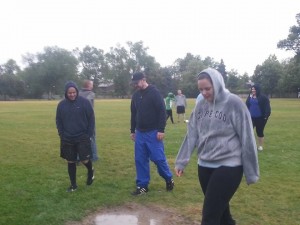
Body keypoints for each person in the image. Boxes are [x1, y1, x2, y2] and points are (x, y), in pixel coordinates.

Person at [175, 68, 259, 225]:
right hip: (204, 166)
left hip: (229, 166)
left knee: (209, 218)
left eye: (208, 88)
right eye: (201, 89)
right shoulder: (200, 105)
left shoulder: (234, 103)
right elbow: (191, 133)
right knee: (222, 216)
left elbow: (247, 137)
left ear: (217, 84)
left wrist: (251, 171)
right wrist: (181, 161)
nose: (204, 93)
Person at [130, 72, 174, 196]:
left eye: (136, 83)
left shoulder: (154, 93)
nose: (135, 86)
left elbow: (162, 112)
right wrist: (132, 130)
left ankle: (168, 178)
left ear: (144, 80)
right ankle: (142, 186)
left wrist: (161, 130)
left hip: (154, 132)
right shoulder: (135, 96)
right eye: (133, 84)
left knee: (158, 158)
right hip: (140, 133)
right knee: (140, 159)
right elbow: (134, 114)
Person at [56, 81, 95, 192]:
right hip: (67, 138)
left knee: (84, 160)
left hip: (82, 136)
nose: (72, 95)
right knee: (70, 161)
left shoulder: (84, 103)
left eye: (74, 92)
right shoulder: (61, 105)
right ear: (66, 93)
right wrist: (61, 133)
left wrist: (89, 134)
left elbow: (91, 118)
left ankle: (90, 170)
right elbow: (58, 120)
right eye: (69, 93)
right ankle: (73, 185)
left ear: (77, 92)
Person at [246, 84, 271, 151]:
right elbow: (247, 105)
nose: (253, 90)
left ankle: (260, 146)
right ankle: (250, 146)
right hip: (251, 118)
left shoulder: (263, 97)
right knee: (248, 132)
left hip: (260, 118)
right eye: (252, 89)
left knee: (259, 132)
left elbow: (267, 107)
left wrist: (266, 116)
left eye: (254, 89)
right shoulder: (250, 96)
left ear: (258, 89)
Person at [79, 80, 99, 161]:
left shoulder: (78, 94)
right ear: (88, 85)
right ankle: (93, 156)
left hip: (79, 119)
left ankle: (78, 157)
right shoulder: (91, 94)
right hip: (89, 119)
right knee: (92, 137)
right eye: (92, 85)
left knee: (79, 138)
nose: (92, 86)